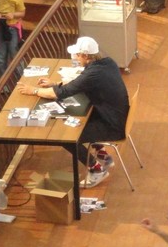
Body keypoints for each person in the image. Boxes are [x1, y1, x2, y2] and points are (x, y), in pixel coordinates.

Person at [17, 37, 129, 188]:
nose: (75, 58)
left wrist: (33, 90)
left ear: (85, 55)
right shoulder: (107, 63)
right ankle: (102, 155)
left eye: (77, 55)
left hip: (112, 126)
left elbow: (59, 93)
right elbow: (80, 83)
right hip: (114, 115)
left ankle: (96, 170)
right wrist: (56, 84)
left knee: (67, 139)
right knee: (80, 119)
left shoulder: (92, 74)